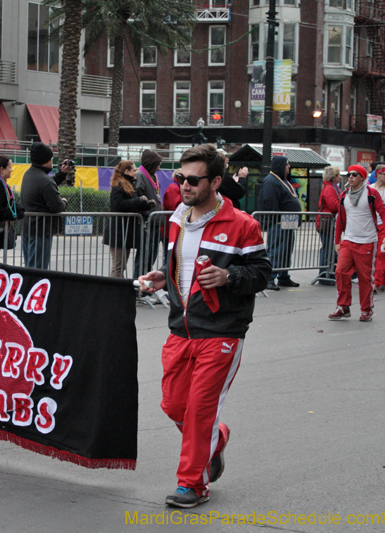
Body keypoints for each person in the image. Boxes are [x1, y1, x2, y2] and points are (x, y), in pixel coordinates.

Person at [138, 143, 271, 508]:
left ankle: (192, 485)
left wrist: (228, 277)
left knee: (199, 411)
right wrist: (163, 276)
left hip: (222, 331)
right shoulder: (178, 217)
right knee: (172, 404)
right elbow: (182, 264)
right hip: (181, 329)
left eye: (193, 180)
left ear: (216, 182)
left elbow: (262, 273)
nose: (184, 185)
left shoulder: (243, 224)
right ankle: (218, 438)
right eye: (180, 177)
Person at [328, 165, 385, 322]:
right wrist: (337, 241)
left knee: (365, 278)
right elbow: (340, 220)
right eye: (349, 174)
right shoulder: (344, 195)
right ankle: (343, 306)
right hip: (348, 241)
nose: (350, 177)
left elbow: (384, 214)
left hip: (367, 241)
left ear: (362, 177)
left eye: (354, 174)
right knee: (340, 272)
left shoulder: (371, 193)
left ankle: (366, 309)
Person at [20, 142, 68, 269]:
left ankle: (29, 287)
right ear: (46, 160)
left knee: (30, 267)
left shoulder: (29, 174)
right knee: (38, 269)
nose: (53, 161)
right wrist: (64, 202)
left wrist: (61, 174)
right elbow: (56, 206)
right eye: (51, 158)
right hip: (40, 231)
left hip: (28, 228)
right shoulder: (44, 180)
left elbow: (46, 186)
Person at [259, 155, 301, 290]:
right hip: (279, 222)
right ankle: (270, 278)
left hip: (288, 221)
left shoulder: (282, 180)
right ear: (280, 166)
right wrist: (276, 218)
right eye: (287, 164)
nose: (289, 167)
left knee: (286, 250)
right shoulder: (271, 181)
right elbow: (270, 202)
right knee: (276, 250)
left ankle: (283, 277)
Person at [103, 161, 152, 278]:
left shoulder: (129, 184)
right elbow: (118, 205)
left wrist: (146, 205)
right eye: (134, 170)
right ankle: (115, 293)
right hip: (118, 232)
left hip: (125, 232)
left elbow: (131, 206)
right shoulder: (119, 185)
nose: (136, 173)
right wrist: (138, 201)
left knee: (121, 266)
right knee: (118, 267)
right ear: (127, 171)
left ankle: (118, 292)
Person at [134, 149, 164, 279]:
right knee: (144, 257)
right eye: (157, 163)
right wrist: (146, 212)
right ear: (151, 163)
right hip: (147, 222)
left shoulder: (153, 175)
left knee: (151, 256)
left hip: (156, 222)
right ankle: (139, 287)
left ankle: (146, 287)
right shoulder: (140, 175)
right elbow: (137, 196)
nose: (159, 166)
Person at [315, 166, 342, 285]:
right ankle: (325, 273)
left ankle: (329, 272)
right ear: (334, 176)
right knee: (328, 248)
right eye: (338, 175)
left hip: (328, 221)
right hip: (327, 222)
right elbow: (333, 205)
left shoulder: (330, 187)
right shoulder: (330, 189)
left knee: (329, 248)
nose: (340, 177)